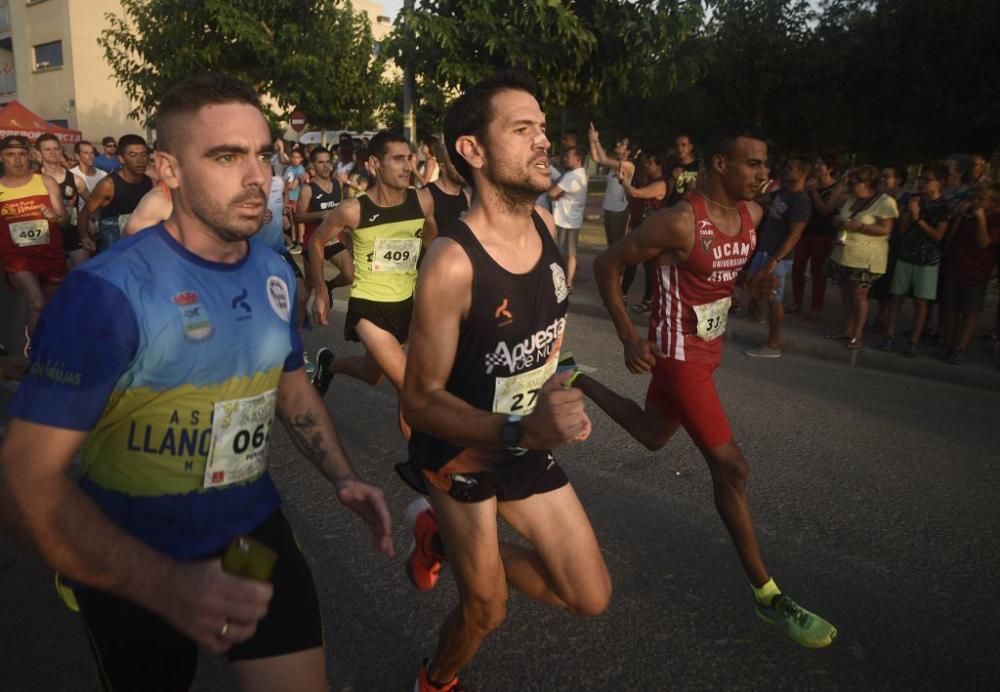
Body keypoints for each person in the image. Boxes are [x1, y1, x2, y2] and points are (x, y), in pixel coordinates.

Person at [0, 73, 393, 692]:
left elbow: (289, 382)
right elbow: (22, 484)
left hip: (246, 533)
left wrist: (342, 476)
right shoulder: (105, 294)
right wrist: (171, 586)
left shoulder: (272, 270)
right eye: (225, 156)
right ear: (169, 171)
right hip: (134, 553)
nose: (257, 177)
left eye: (262, 155)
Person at [578, 121, 837, 649]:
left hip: (708, 349)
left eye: (766, 164)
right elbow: (607, 264)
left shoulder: (753, 215)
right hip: (676, 357)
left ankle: (577, 375)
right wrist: (629, 336)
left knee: (653, 435)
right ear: (721, 164)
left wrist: (750, 284)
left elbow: (719, 277)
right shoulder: (678, 222)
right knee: (731, 467)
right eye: (754, 163)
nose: (764, 174)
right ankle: (767, 595)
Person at [397, 70, 611, 692]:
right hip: (458, 455)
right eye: (523, 129)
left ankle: (440, 542)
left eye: (542, 127)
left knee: (589, 596)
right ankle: (435, 680)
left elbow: (539, 346)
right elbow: (418, 400)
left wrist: (554, 388)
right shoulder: (451, 262)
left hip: (523, 443)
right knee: (486, 610)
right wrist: (521, 423)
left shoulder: (545, 228)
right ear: (473, 150)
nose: (543, 140)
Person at [307, 130, 436, 437]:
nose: (407, 167)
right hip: (369, 307)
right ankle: (425, 466)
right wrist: (321, 289)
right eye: (398, 159)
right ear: (375, 164)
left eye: (409, 158)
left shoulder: (423, 201)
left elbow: (437, 245)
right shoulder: (354, 209)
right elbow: (316, 241)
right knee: (409, 385)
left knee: (371, 374)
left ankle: (329, 363)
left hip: (409, 305)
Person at [0, 135, 68, 343]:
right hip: (17, 256)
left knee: (51, 307)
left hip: (50, 254)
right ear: (1, 158)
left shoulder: (45, 181)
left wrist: (54, 217)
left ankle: (47, 345)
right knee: (37, 303)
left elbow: (64, 220)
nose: (17, 159)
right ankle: (35, 353)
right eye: (10, 155)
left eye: (21, 154)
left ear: (29, 155)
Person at [823, 165, 898, 350]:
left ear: (867, 183)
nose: (852, 184)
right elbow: (836, 213)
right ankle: (846, 329)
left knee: (860, 295)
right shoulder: (851, 199)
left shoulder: (885, 202)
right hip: (844, 254)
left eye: (855, 181)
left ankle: (858, 335)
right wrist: (839, 221)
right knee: (846, 293)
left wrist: (858, 226)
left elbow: (885, 229)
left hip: (866, 258)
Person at [744, 157, 813, 358]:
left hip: (778, 257)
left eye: (790, 168)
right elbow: (760, 199)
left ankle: (773, 345)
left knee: (776, 299)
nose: (785, 171)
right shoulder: (783, 193)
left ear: (802, 173)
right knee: (755, 288)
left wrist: (774, 260)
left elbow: (795, 235)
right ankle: (758, 319)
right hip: (765, 250)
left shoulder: (801, 200)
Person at [879, 163, 950, 356]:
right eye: (921, 179)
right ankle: (889, 335)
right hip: (906, 255)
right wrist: (909, 213)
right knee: (897, 298)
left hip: (928, 260)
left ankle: (914, 341)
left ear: (940, 183)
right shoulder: (913, 199)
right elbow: (902, 229)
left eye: (928, 180)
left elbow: (938, 236)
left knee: (921, 302)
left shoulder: (944, 205)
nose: (923, 183)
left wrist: (918, 219)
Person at [936, 182, 1000, 364]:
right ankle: (948, 343)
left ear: (993, 201)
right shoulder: (967, 215)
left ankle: (960, 347)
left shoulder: (995, 218)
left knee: (968, 311)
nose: (977, 202)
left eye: (982, 199)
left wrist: (981, 219)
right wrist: (957, 217)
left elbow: (984, 242)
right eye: (974, 198)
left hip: (977, 270)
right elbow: (950, 238)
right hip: (956, 265)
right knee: (949, 307)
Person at [790, 154, 846, 319]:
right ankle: (796, 301)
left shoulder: (837, 188)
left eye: (821, 164)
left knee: (818, 271)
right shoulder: (809, 183)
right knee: (797, 267)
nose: (816, 166)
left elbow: (825, 210)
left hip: (823, 234)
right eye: (816, 163)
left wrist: (814, 193)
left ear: (830, 168)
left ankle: (816, 307)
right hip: (804, 232)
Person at [295, 146, 354, 301]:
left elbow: (341, 210)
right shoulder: (308, 189)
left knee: (350, 275)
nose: (326, 166)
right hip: (313, 242)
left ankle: (330, 286)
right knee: (310, 284)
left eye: (328, 162)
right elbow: (298, 217)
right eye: (321, 162)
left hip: (332, 239)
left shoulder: (337, 184)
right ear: (312, 165)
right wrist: (319, 214)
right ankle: (300, 319)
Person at [78, 134, 153, 253]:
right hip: (112, 245)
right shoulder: (108, 185)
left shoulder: (150, 182)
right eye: (133, 155)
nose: (140, 160)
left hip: (140, 243)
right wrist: (84, 236)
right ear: (122, 159)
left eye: (144, 155)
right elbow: (85, 213)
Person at [620, 152, 668, 312]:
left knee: (649, 266)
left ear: (658, 166)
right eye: (647, 164)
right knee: (631, 262)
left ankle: (647, 300)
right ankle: (623, 295)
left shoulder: (660, 184)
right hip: (640, 228)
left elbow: (636, 193)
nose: (647, 166)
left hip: (652, 231)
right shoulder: (648, 181)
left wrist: (624, 181)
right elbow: (633, 197)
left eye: (651, 163)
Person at [37, 133, 91, 268]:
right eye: (47, 149)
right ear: (39, 153)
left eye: (56, 148)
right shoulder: (34, 179)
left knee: (82, 277)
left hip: (73, 235)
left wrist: (89, 224)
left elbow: (91, 204)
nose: (53, 152)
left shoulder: (75, 179)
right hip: (46, 237)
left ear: (61, 150)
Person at [587, 123, 635, 251]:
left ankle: (619, 270)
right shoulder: (615, 163)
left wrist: (597, 140)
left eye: (622, 144)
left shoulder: (629, 165)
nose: (618, 145)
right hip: (609, 207)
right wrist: (591, 140)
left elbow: (603, 160)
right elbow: (596, 158)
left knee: (618, 245)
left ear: (628, 151)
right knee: (611, 245)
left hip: (620, 210)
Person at [547, 145, 589, 291]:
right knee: (569, 252)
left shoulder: (573, 176)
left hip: (565, 219)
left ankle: (566, 281)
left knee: (565, 253)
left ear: (578, 159)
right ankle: (568, 282)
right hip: (571, 219)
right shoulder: (579, 173)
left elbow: (552, 193)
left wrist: (556, 191)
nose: (565, 159)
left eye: (568, 157)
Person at [427, 138, 471, 234]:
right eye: (455, 163)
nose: (462, 167)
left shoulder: (468, 196)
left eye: (464, 161)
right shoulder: (426, 196)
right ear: (443, 167)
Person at [283, 149, 308, 253]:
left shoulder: (301, 170)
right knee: (293, 221)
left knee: (299, 221)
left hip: (298, 198)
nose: (294, 159)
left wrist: (288, 185)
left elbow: (292, 186)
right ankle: (293, 241)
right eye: (293, 157)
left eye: (297, 157)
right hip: (289, 198)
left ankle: (301, 242)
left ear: (301, 159)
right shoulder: (289, 168)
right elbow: (285, 184)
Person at [665, 132, 699, 207]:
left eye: (683, 145)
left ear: (690, 147)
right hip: (673, 208)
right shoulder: (671, 166)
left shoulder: (700, 166)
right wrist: (673, 179)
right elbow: (666, 194)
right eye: (677, 146)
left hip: (691, 208)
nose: (679, 149)